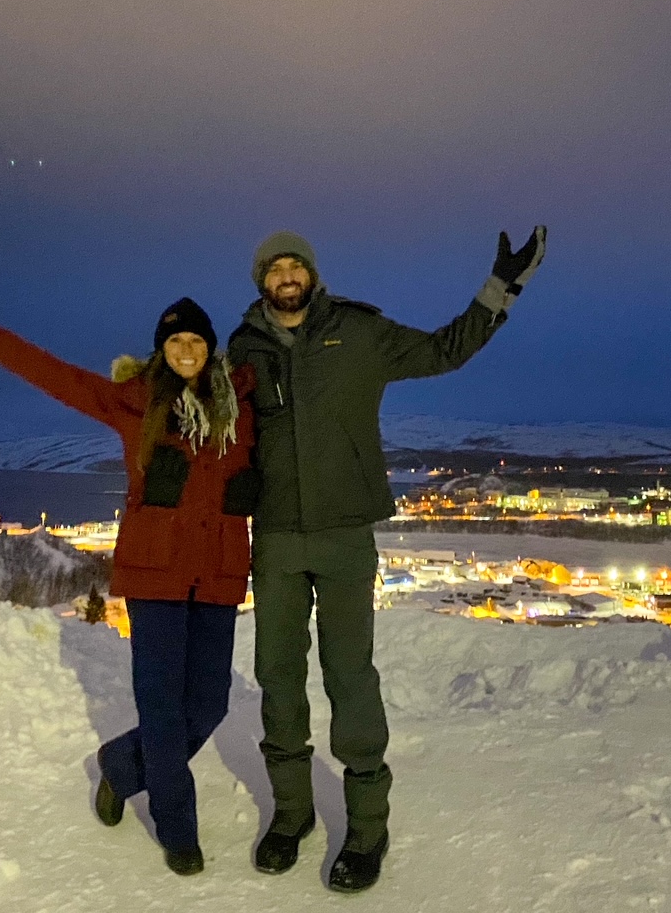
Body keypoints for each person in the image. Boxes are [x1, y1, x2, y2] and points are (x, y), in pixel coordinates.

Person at [226, 226, 547, 892]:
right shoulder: (243, 345)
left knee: (349, 676)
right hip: (278, 535)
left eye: (295, 265)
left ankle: (367, 828)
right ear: (262, 282)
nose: (286, 275)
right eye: (274, 268)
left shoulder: (360, 332)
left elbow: (444, 351)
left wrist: (501, 288)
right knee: (276, 676)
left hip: (345, 532)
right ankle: (292, 815)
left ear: (311, 274)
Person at [0, 290, 259, 876]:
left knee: (207, 704)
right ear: (162, 351)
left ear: (211, 351)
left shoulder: (240, 410)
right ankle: (176, 826)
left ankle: (121, 766)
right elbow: (60, 379)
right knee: (163, 709)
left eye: (196, 340)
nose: (186, 349)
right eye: (175, 341)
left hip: (217, 575)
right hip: (155, 575)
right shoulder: (134, 403)